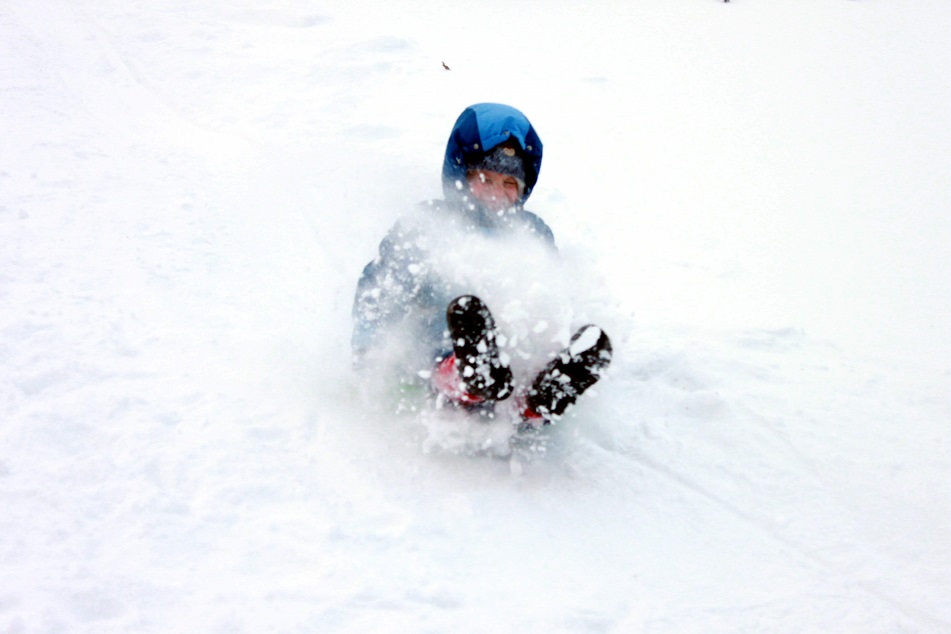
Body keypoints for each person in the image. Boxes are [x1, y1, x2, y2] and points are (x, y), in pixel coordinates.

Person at [352, 103, 611, 425]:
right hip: (438, 353)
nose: (496, 193)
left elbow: (554, 296)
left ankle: (538, 397)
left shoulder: (533, 233)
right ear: (460, 174)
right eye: (485, 179)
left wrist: (557, 328)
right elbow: (380, 289)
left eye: (509, 183)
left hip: (514, 357)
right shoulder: (427, 223)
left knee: (531, 332)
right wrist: (369, 351)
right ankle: (469, 375)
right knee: (461, 319)